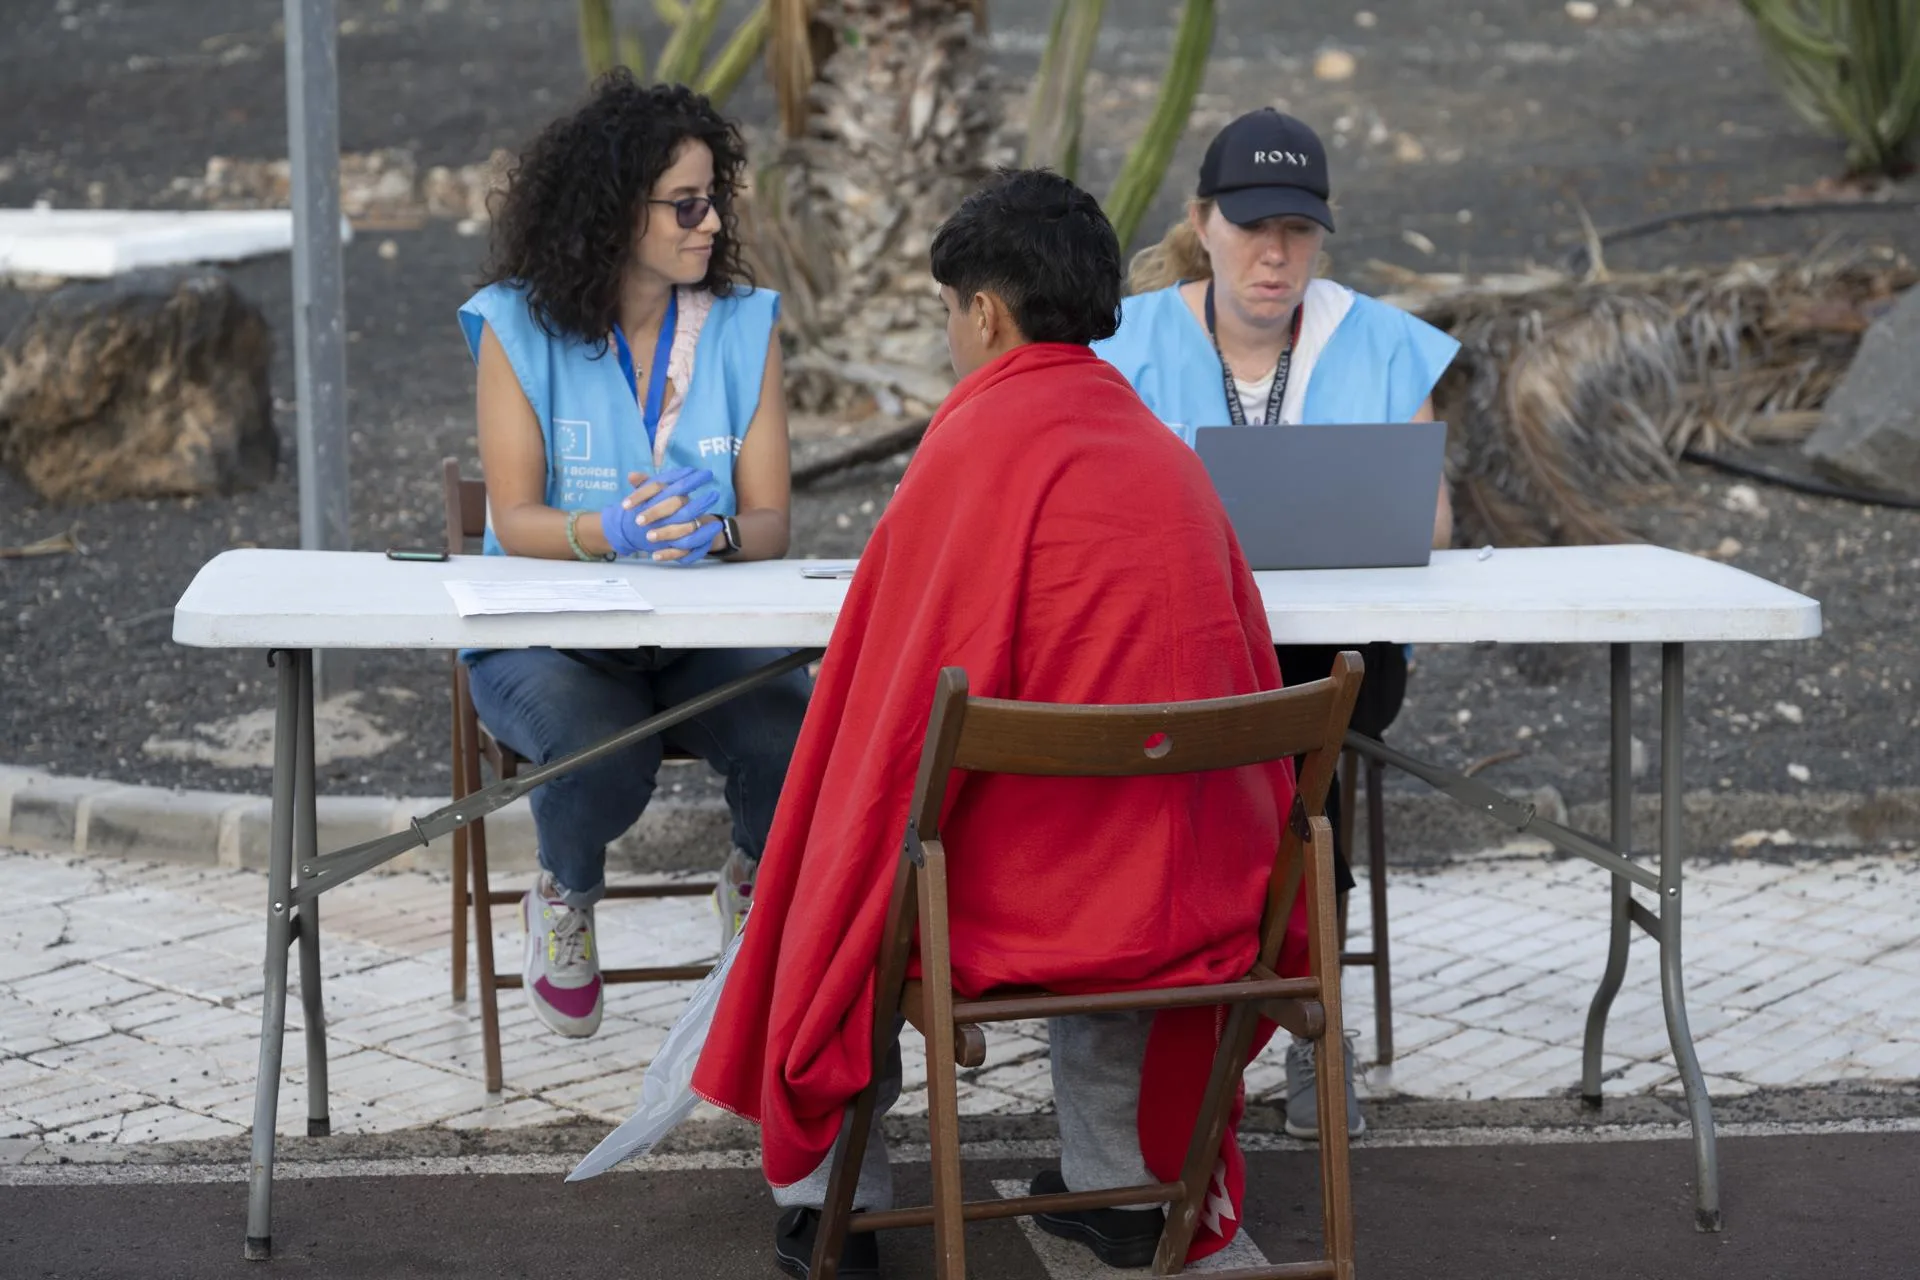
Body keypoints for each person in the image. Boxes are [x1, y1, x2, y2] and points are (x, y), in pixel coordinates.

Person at [693, 169, 1310, 1280]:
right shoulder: (1169, 459)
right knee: (1127, 834)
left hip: (1016, 913)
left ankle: (831, 1195)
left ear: (982, 310)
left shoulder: (974, 447)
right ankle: (1115, 1182)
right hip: (1195, 905)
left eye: (946, 312)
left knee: (840, 863)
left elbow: (888, 725)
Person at [1093, 107, 1461, 1141]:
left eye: (1298, 229)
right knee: (1299, 782)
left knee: (1303, 725)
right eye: (1252, 226)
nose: (1275, 253)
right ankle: (1289, 1017)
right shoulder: (1120, 340)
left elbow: (1429, 518)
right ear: (1203, 222)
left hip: (1331, 656)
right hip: (1172, 648)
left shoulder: (1381, 341)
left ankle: (1279, 1022)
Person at [455, 73, 810, 1041]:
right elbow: (516, 515)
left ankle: (751, 874)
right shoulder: (516, 324)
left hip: (700, 628)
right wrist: (607, 529)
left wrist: (719, 533)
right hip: (552, 638)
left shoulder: (742, 324)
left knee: (798, 727)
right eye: (685, 204)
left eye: (714, 200)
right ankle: (565, 893)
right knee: (607, 753)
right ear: (618, 211)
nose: (709, 223)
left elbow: (771, 519)